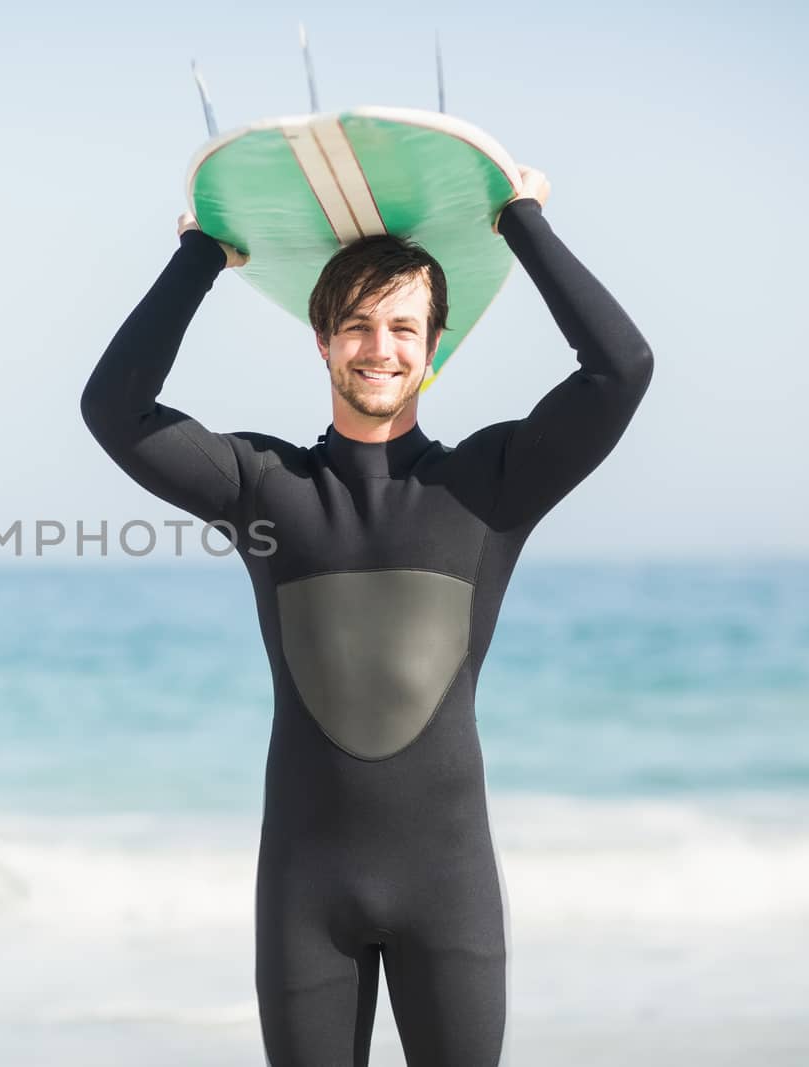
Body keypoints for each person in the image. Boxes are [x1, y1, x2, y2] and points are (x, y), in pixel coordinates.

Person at [80, 171, 652, 1065]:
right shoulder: (266, 489)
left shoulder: (489, 485)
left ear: (432, 349)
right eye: (355, 323)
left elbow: (622, 370)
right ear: (321, 341)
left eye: (401, 327)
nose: (377, 347)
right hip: (308, 899)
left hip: (448, 892)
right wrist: (202, 254)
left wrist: (520, 222)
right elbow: (113, 409)